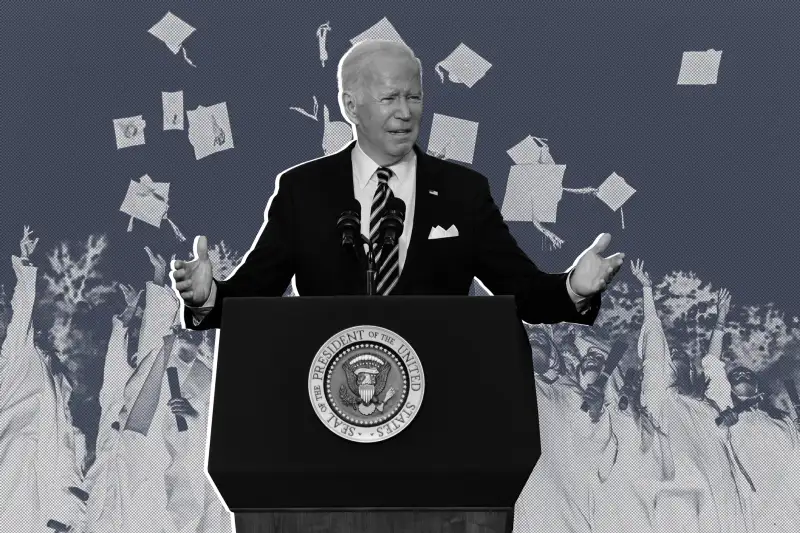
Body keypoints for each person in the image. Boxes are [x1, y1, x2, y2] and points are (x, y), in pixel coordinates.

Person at [170, 39, 624, 331]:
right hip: (327, 407)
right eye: (389, 98)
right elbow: (254, 297)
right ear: (350, 105)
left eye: (414, 96)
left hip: (439, 406)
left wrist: (573, 289)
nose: (405, 112)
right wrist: (210, 296)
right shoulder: (302, 190)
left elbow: (523, 292)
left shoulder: (464, 192)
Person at [632, 261, 749, 533]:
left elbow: (713, 365)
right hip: (683, 500)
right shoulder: (659, 398)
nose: (677, 356)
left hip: (723, 494)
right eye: (672, 356)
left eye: (682, 355)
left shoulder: (708, 405)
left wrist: (721, 319)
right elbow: (653, 344)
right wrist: (647, 290)